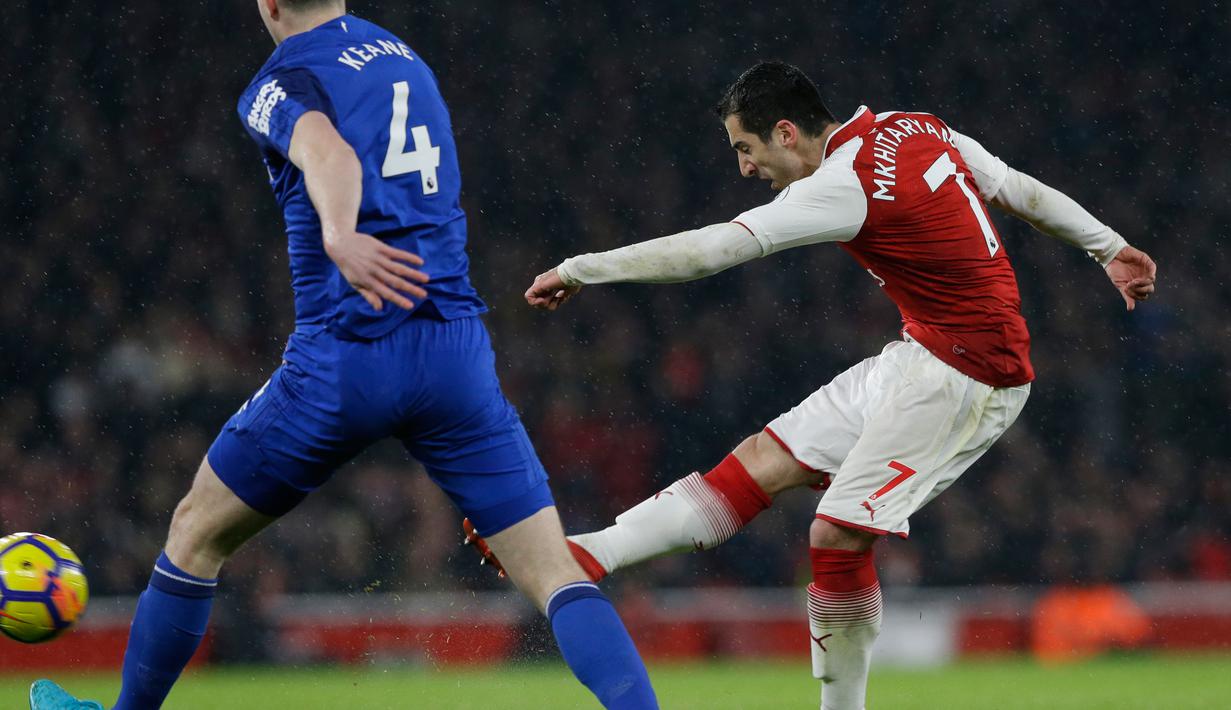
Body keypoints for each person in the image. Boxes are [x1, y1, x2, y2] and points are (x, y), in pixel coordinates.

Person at [468, 60, 1157, 710]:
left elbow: (711, 250)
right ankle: (588, 554)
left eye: (745, 148)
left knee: (835, 537)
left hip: (969, 379)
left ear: (787, 133)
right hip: (918, 355)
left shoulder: (840, 184)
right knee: (755, 466)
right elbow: (1011, 185)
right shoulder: (916, 126)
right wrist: (1108, 246)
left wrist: (583, 267)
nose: (744, 168)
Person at [29, 2, 658, 709]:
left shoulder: (282, 79)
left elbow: (325, 150)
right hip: (453, 350)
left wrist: (338, 233)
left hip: (348, 354)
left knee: (195, 534)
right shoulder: (405, 60)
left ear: (268, 4)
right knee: (556, 576)